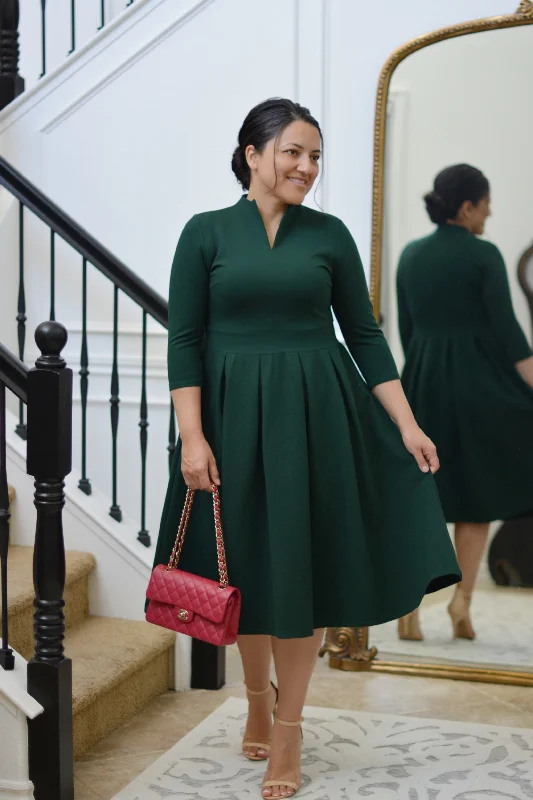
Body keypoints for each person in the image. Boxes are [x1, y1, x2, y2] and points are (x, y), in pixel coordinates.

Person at [151, 98, 460, 798]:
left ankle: (287, 728)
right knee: (250, 572)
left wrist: (407, 423)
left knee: (302, 573)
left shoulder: (330, 235)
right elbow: (185, 340)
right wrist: (192, 435)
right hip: (228, 419)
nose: (305, 166)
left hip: (317, 417)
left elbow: (366, 334)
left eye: (315, 155)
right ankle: (256, 698)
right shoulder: (204, 234)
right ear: (252, 154)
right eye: (292, 150)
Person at [396, 164, 533, 644]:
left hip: (422, 384)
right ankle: (461, 603)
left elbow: (408, 333)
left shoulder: (410, 256)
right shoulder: (483, 255)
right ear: (467, 206)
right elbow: (508, 333)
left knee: (425, 499)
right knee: (475, 503)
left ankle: (409, 609)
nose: (490, 212)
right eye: (487, 203)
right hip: (477, 389)